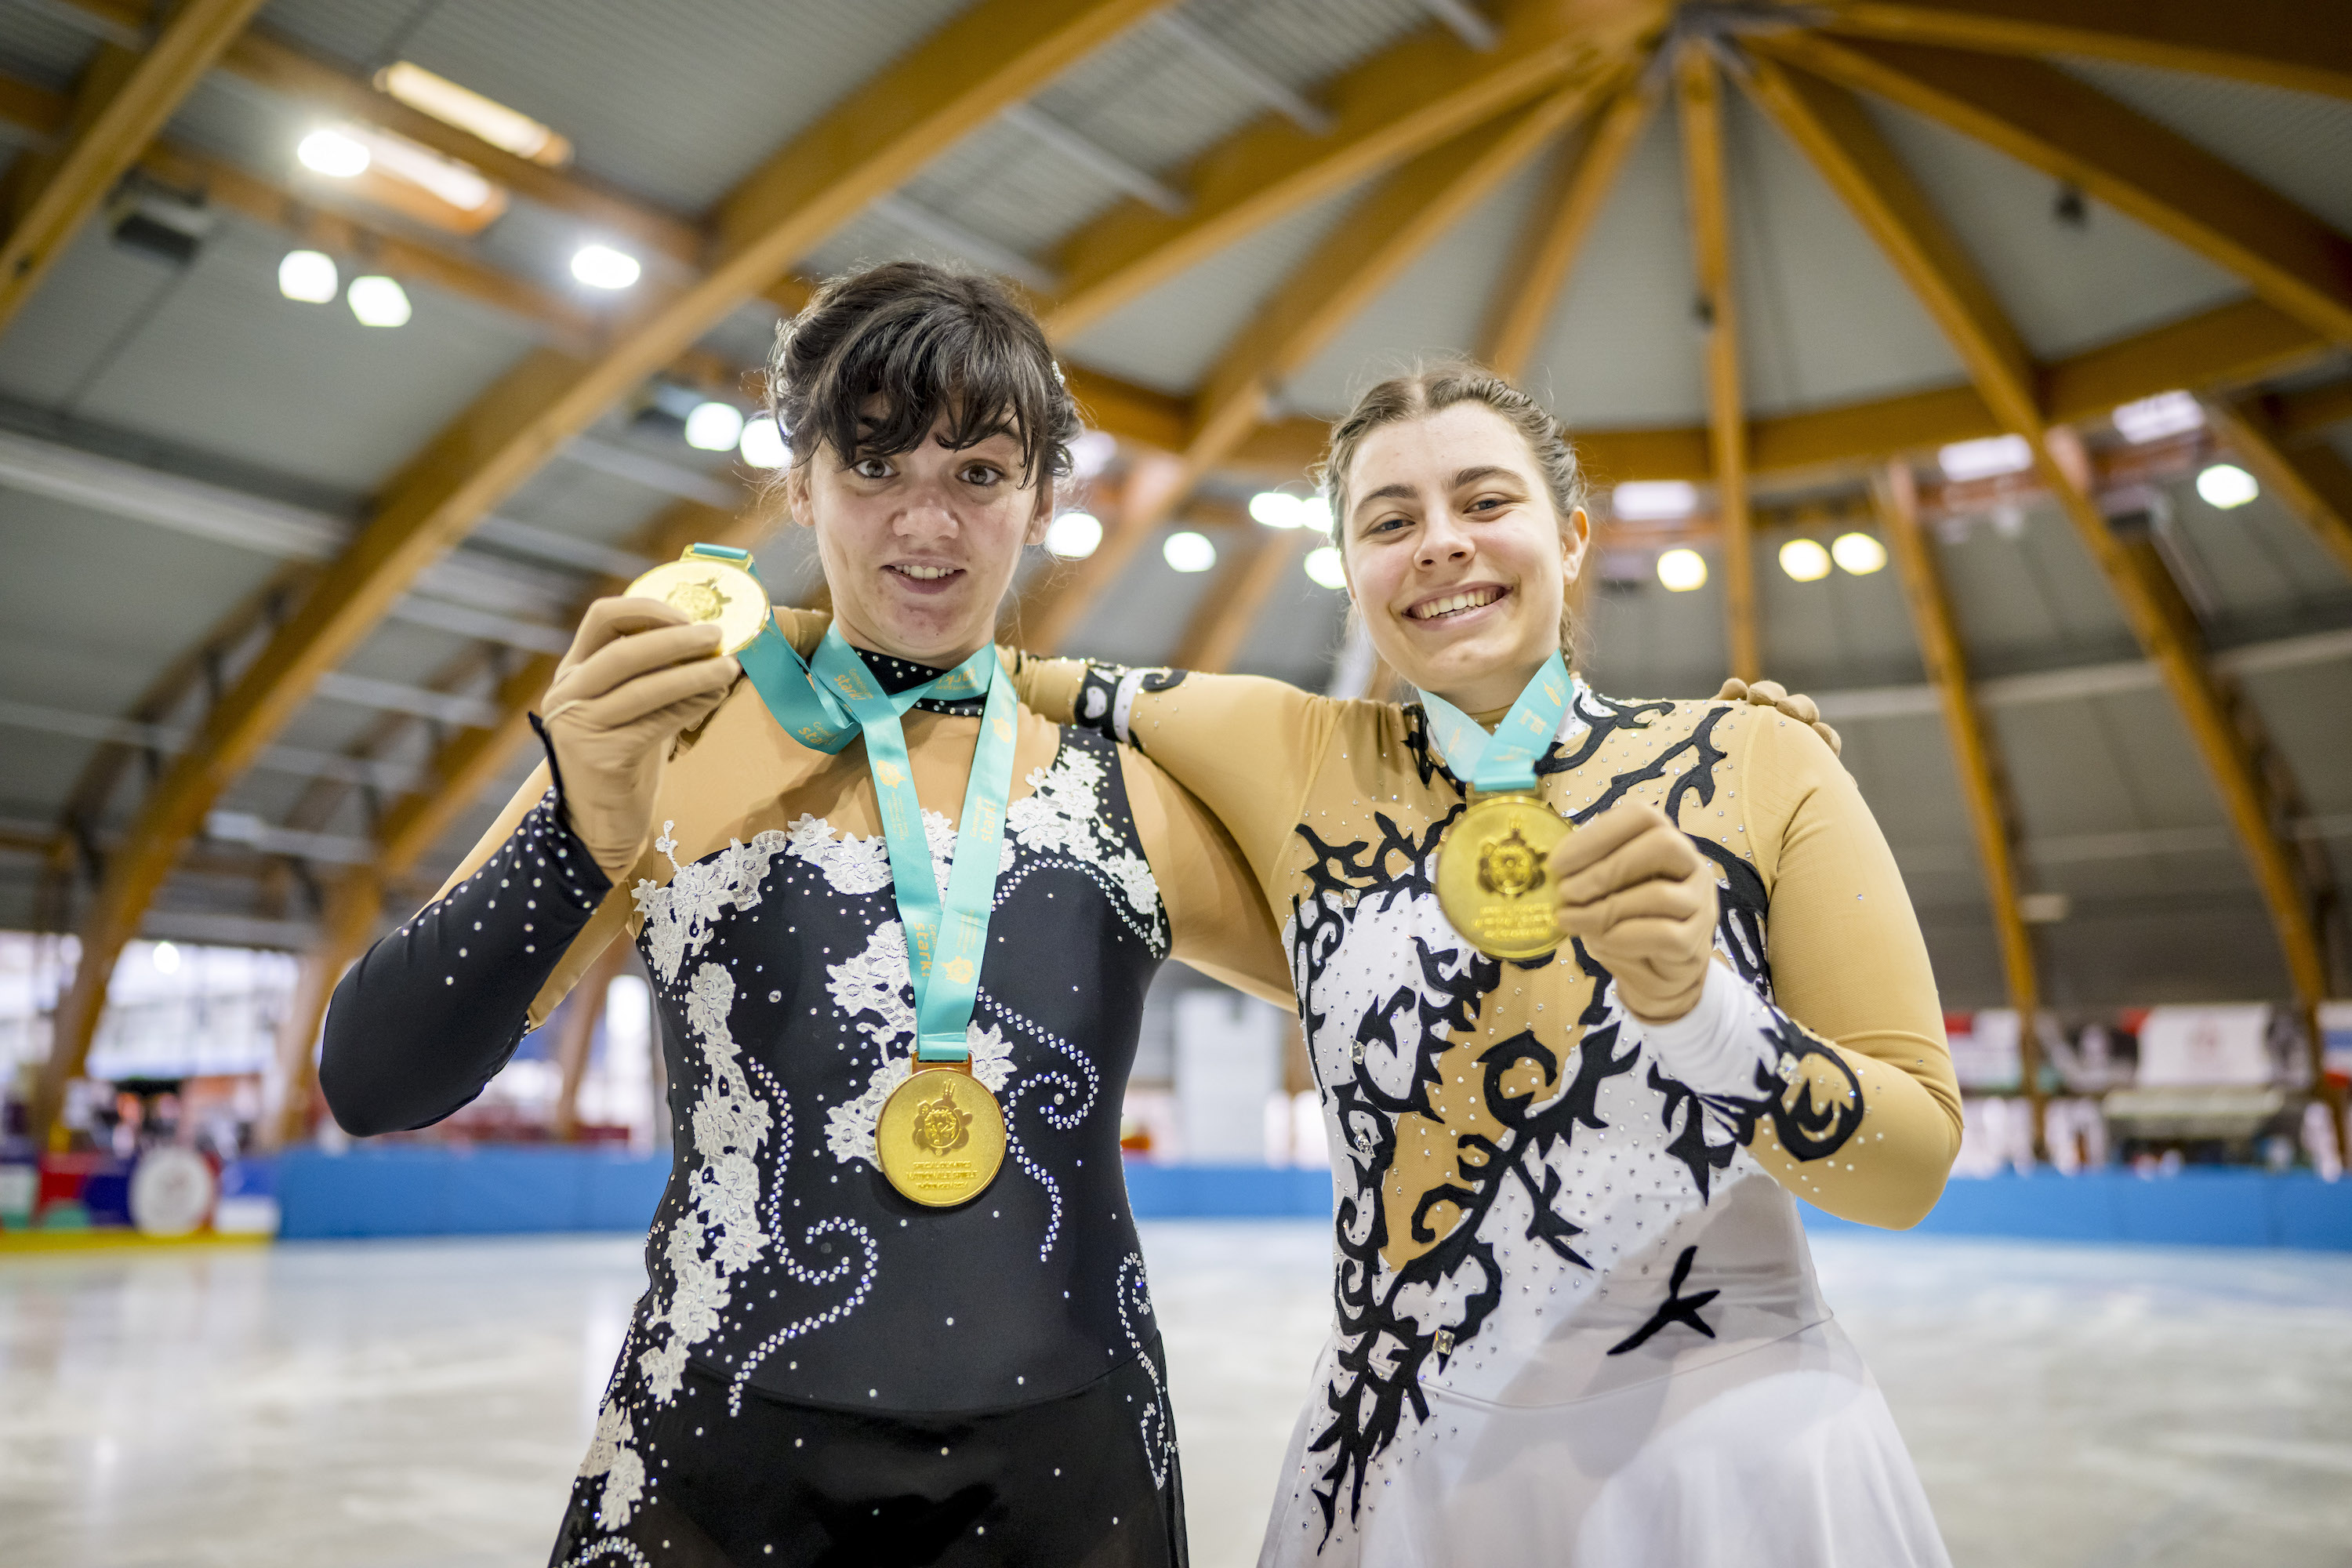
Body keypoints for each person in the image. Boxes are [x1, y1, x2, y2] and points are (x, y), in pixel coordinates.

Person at [318, 261, 1288, 1567]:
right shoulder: (670, 724)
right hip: (711, 1478)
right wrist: (571, 826)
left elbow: (1395, 1006)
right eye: (875, 468)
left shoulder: (1122, 780)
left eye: (980, 474)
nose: (924, 524)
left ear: (1046, 499)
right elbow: (375, 1079)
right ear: (801, 482)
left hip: (1068, 1480)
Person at [996, 362, 1962, 1566]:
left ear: (1571, 536)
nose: (1440, 545)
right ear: (1353, 576)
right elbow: (957, 682)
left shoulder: (1757, 759)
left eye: (1485, 503)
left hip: (1725, 1473)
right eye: (1389, 522)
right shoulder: (1296, 758)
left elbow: (1910, 1168)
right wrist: (719, 628)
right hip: (1402, 1472)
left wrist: (1703, 1011)